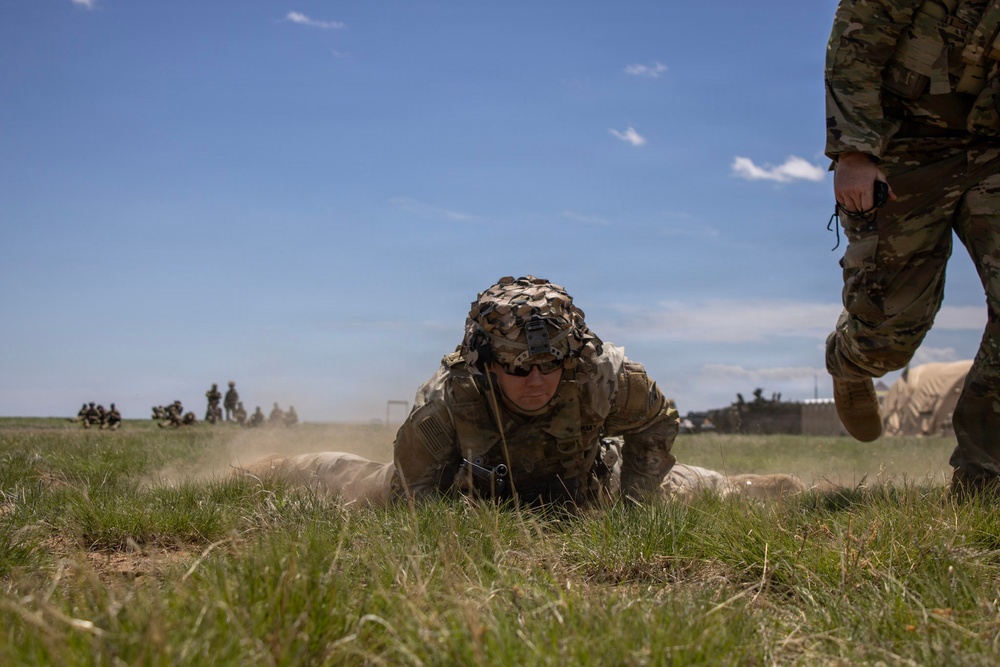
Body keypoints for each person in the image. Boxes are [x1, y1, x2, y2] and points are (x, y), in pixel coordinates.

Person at [238, 276, 805, 506]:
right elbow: (414, 495)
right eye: (517, 370)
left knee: (702, 489)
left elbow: (657, 422)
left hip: (587, 482)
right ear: (487, 367)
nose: (535, 380)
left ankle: (764, 486)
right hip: (467, 486)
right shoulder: (447, 403)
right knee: (359, 486)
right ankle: (277, 464)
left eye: (549, 365)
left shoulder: (603, 379)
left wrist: (634, 503)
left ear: (572, 357)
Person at [824, 1, 1000, 495]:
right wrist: (855, 151)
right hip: (905, 140)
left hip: (994, 149)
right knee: (890, 330)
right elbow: (859, 39)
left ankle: (985, 480)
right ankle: (853, 358)